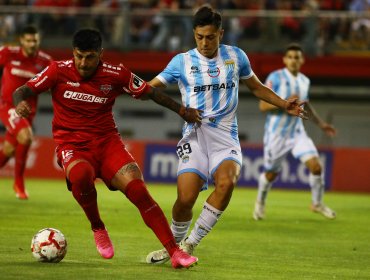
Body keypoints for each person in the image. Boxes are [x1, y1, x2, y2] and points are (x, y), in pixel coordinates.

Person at [13, 28, 199, 269]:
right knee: (81, 176)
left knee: (138, 190)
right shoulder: (57, 70)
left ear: (100, 54)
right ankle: (98, 227)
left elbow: (151, 93)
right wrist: (20, 104)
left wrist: (183, 111)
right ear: (73, 53)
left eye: (89, 57)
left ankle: (175, 253)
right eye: (79, 56)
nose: (83, 62)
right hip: (73, 145)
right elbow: (23, 90)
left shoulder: (116, 73)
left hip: (107, 143)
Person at [145, 6, 307, 265]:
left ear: (220, 33)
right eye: (199, 37)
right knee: (185, 199)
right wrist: (134, 87)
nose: (205, 42)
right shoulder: (181, 62)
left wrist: (283, 103)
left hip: (225, 136)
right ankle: (172, 246)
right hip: (195, 135)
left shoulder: (236, 57)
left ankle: (189, 244)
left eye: (210, 37)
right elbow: (151, 87)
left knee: (227, 183)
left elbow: (256, 87)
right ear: (194, 35)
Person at [253, 43, 337, 221]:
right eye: (290, 57)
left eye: (296, 57)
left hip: (297, 133)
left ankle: (317, 203)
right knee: (271, 174)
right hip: (276, 134)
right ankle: (260, 202)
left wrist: (321, 124)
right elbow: (262, 105)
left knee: (316, 166)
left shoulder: (305, 81)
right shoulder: (275, 77)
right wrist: (284, 105)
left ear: (302, 60)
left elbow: (306, 105)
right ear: (284, 59)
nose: (293, 60)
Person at [0, 25, 52, 199]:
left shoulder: (45, 61)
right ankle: (19, 182)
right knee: (26, 136)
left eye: (35, 40)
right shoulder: (8, 53)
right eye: (28, 40)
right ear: (21, 40)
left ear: (39, 40)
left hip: (29, 111)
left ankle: (18, 182)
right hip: (8, 106)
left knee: (8, 149)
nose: (32, 43)